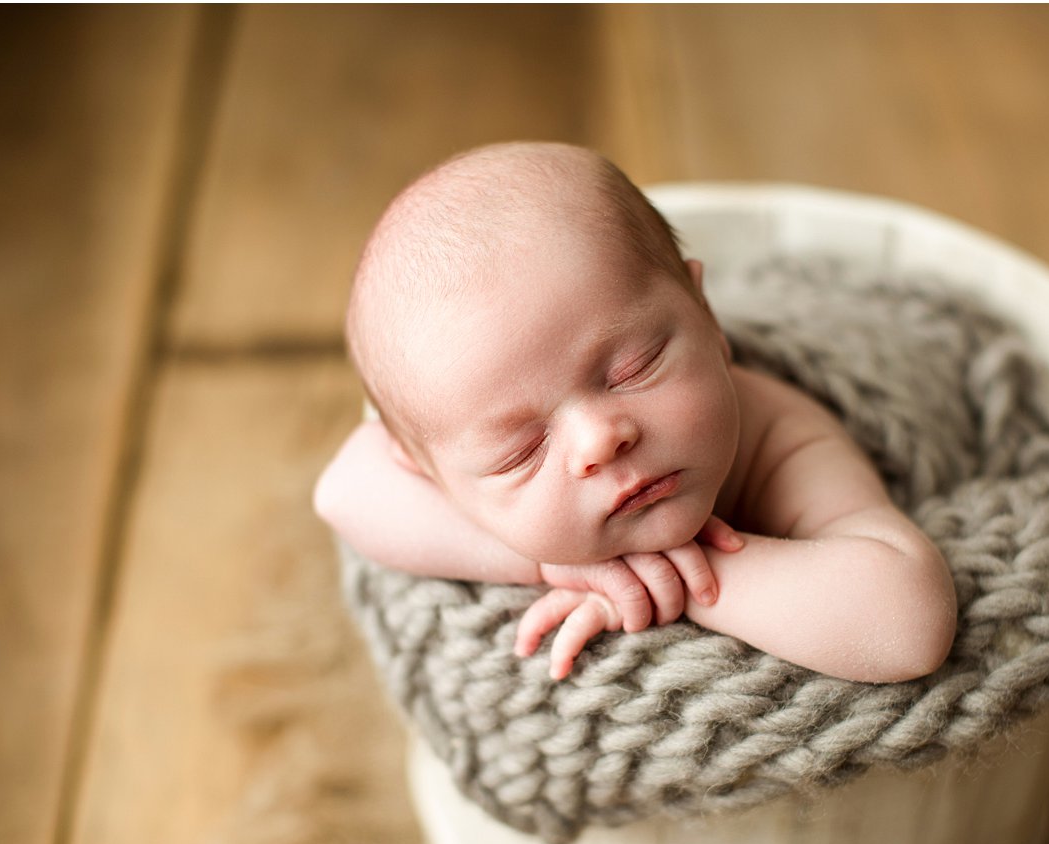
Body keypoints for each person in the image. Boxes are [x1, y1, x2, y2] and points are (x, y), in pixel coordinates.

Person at [314, 142, 957, 682]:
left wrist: (687, 581)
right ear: (431, 476)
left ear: (707, 314)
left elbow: (906, 624)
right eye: (521, 451)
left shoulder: (779, 436)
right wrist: (549, 563)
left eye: (632, 369)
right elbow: (343, 490)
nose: (599, 440)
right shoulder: (443, 453)